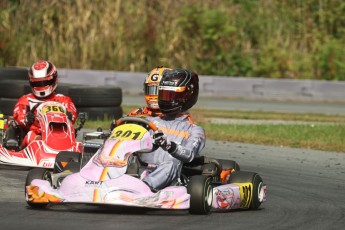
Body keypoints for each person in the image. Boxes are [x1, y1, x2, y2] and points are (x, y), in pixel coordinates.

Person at [138, 68, 206, 192]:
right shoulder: (148, 120)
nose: (166, 100)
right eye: (163, 95)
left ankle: (143, 188)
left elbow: (190, 155)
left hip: (170, 176)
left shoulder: (195, 130)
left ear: (185, 97)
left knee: (171, 163)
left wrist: (169, 146)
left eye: (170, 96)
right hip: (140, 169)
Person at [4, 60, 78, 150]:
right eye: (37, 83)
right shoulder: (26, 100)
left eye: (44, 83)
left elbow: (72, 112)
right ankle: (40, 145)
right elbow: (18, 114)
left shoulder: (63, 100)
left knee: (71, 135)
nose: (41, 86)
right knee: (30, 135)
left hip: (59, 134)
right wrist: (26, 119)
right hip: (34, 135)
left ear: (54, 79)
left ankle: (63, 147)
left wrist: (70, 116)